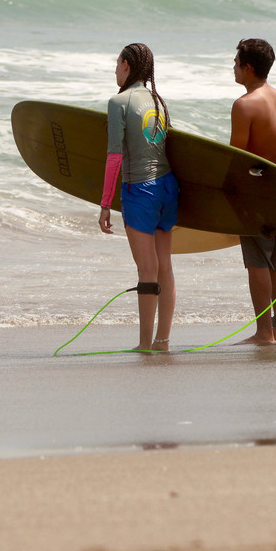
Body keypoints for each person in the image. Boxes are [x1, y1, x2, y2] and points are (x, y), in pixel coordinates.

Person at [98, 43, 178, 352]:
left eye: (117, 64)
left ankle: (145, 344)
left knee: (147, 268)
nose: (115, 70)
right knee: (164, 266)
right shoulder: (156, 100)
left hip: (140, 190)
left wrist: (106, 204)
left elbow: (114, 157)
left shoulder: (119, 102)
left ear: (127, 65)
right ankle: (162, 340)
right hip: (168, 187)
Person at [229, 38, 276, 345]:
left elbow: (236, 159)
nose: (233, 68)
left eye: (236, 62)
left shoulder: (245, 105)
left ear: (248, 67)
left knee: (256, 262)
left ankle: (263, 333)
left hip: (256, 195)